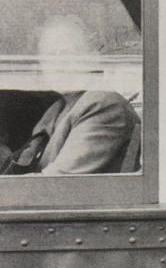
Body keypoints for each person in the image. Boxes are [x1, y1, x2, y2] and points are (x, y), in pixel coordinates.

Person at [0, 14, 140, 175]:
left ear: (93, 58)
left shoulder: (103, 104)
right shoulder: (58, 108)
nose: (59, 63)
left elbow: (59, 181)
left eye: (69, 53)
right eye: (50, 56)